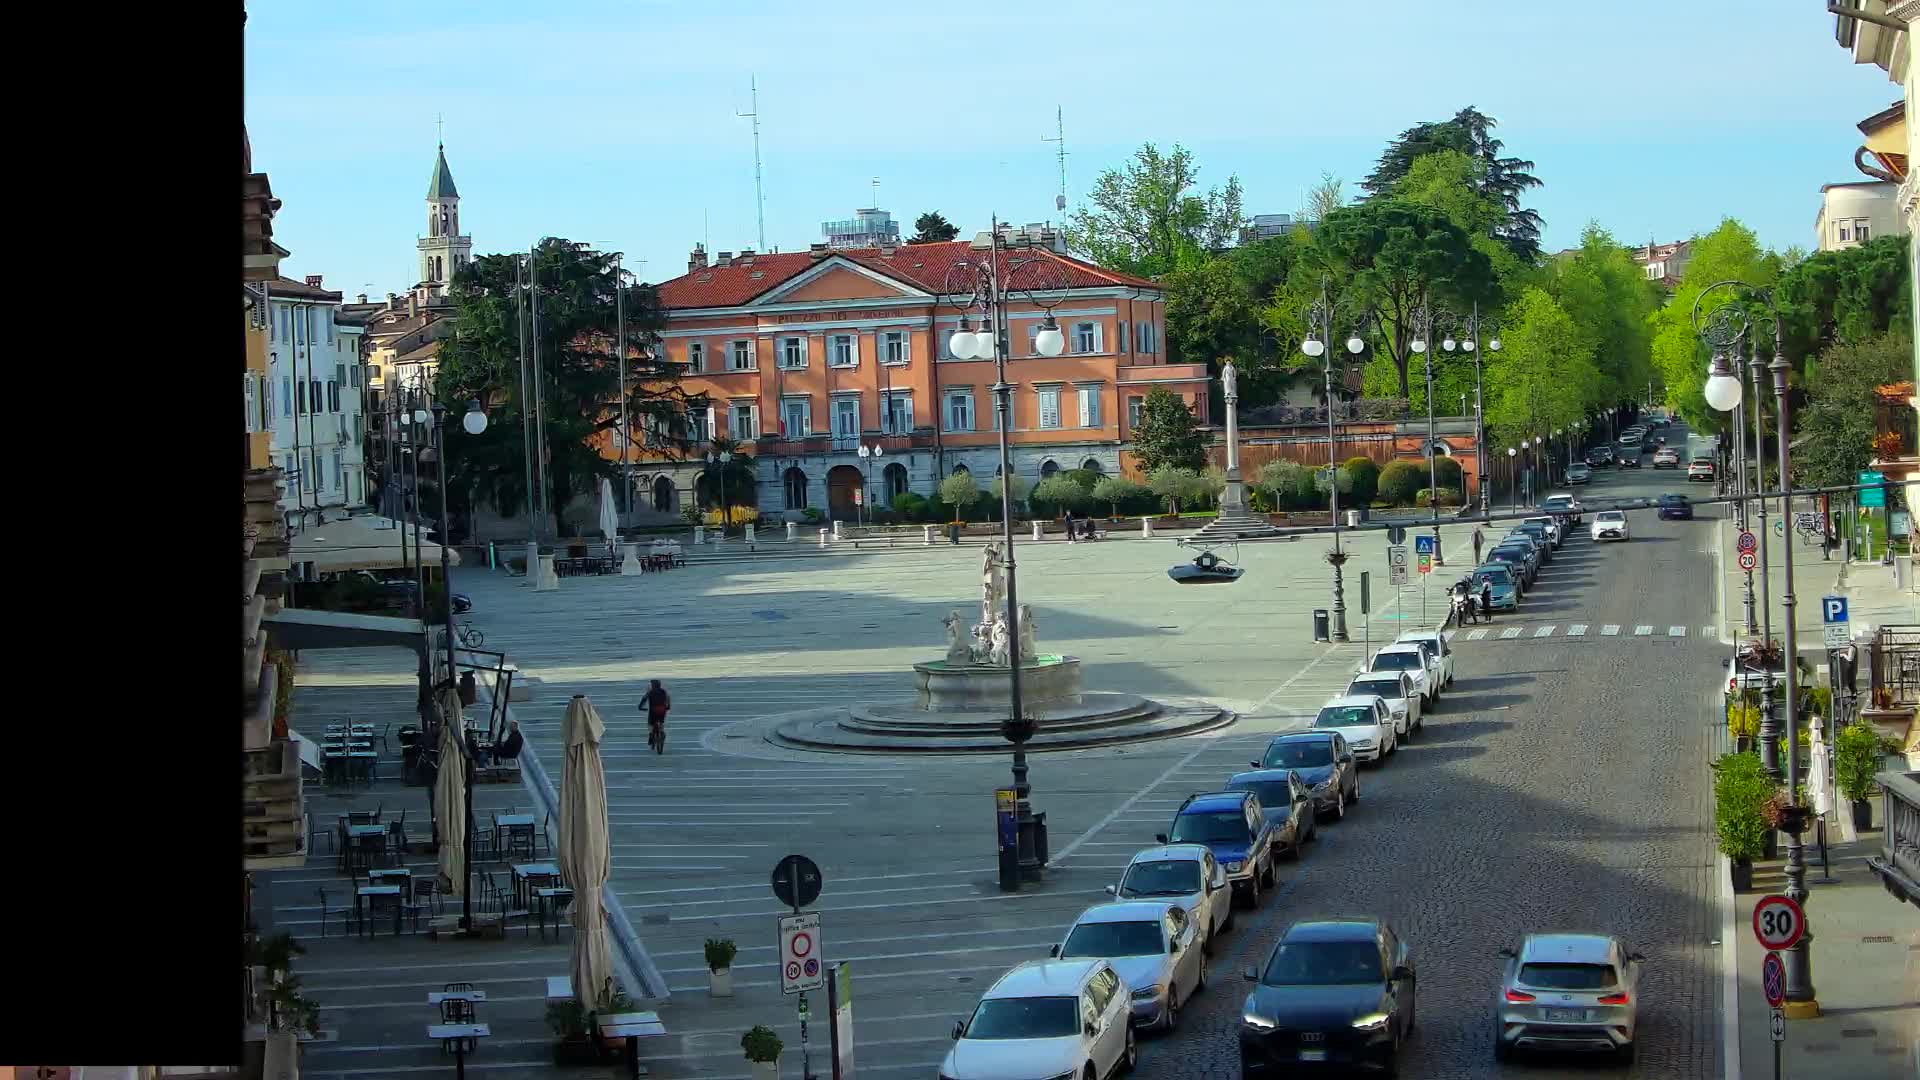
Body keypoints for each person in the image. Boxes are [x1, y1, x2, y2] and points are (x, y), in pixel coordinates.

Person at [642, 679, 671, 754]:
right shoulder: (663, 691)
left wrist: (640, 707)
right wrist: (668, 706)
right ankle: (662, 733)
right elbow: (668, 698)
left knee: (650, 724)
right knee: (661, 722)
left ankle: (651, 734)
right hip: (662, 710)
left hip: (653, 711)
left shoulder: (650, 692)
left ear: (653, 685)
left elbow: (644, 699)